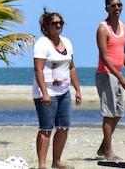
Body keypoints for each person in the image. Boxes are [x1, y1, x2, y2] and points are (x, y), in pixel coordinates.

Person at [32, 9, 82, 169]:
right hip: (47, 93)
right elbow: (38, 70)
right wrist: (45, 93)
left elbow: (71, 67)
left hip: (64, 92)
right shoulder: (42, 44)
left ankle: (56, 161)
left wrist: (77, 89)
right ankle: (42, 164)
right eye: (54, 23)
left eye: (60, 23)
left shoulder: (67, 42)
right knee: (46, 129)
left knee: (63, 127)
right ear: (47, 26)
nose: (58, 26)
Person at [94, 0, 125, 162]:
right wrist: (120, 78)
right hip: (105, 74)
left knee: (119, 112)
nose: (117, 8)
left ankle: (103, 146)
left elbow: (123, 52)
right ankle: (108, 151)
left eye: (119, 5)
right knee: (109, 113)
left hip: (118, 73)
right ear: (107, 8)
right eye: (113, 6)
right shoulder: (103, 28)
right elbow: (104, 56)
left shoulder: (124, 27)